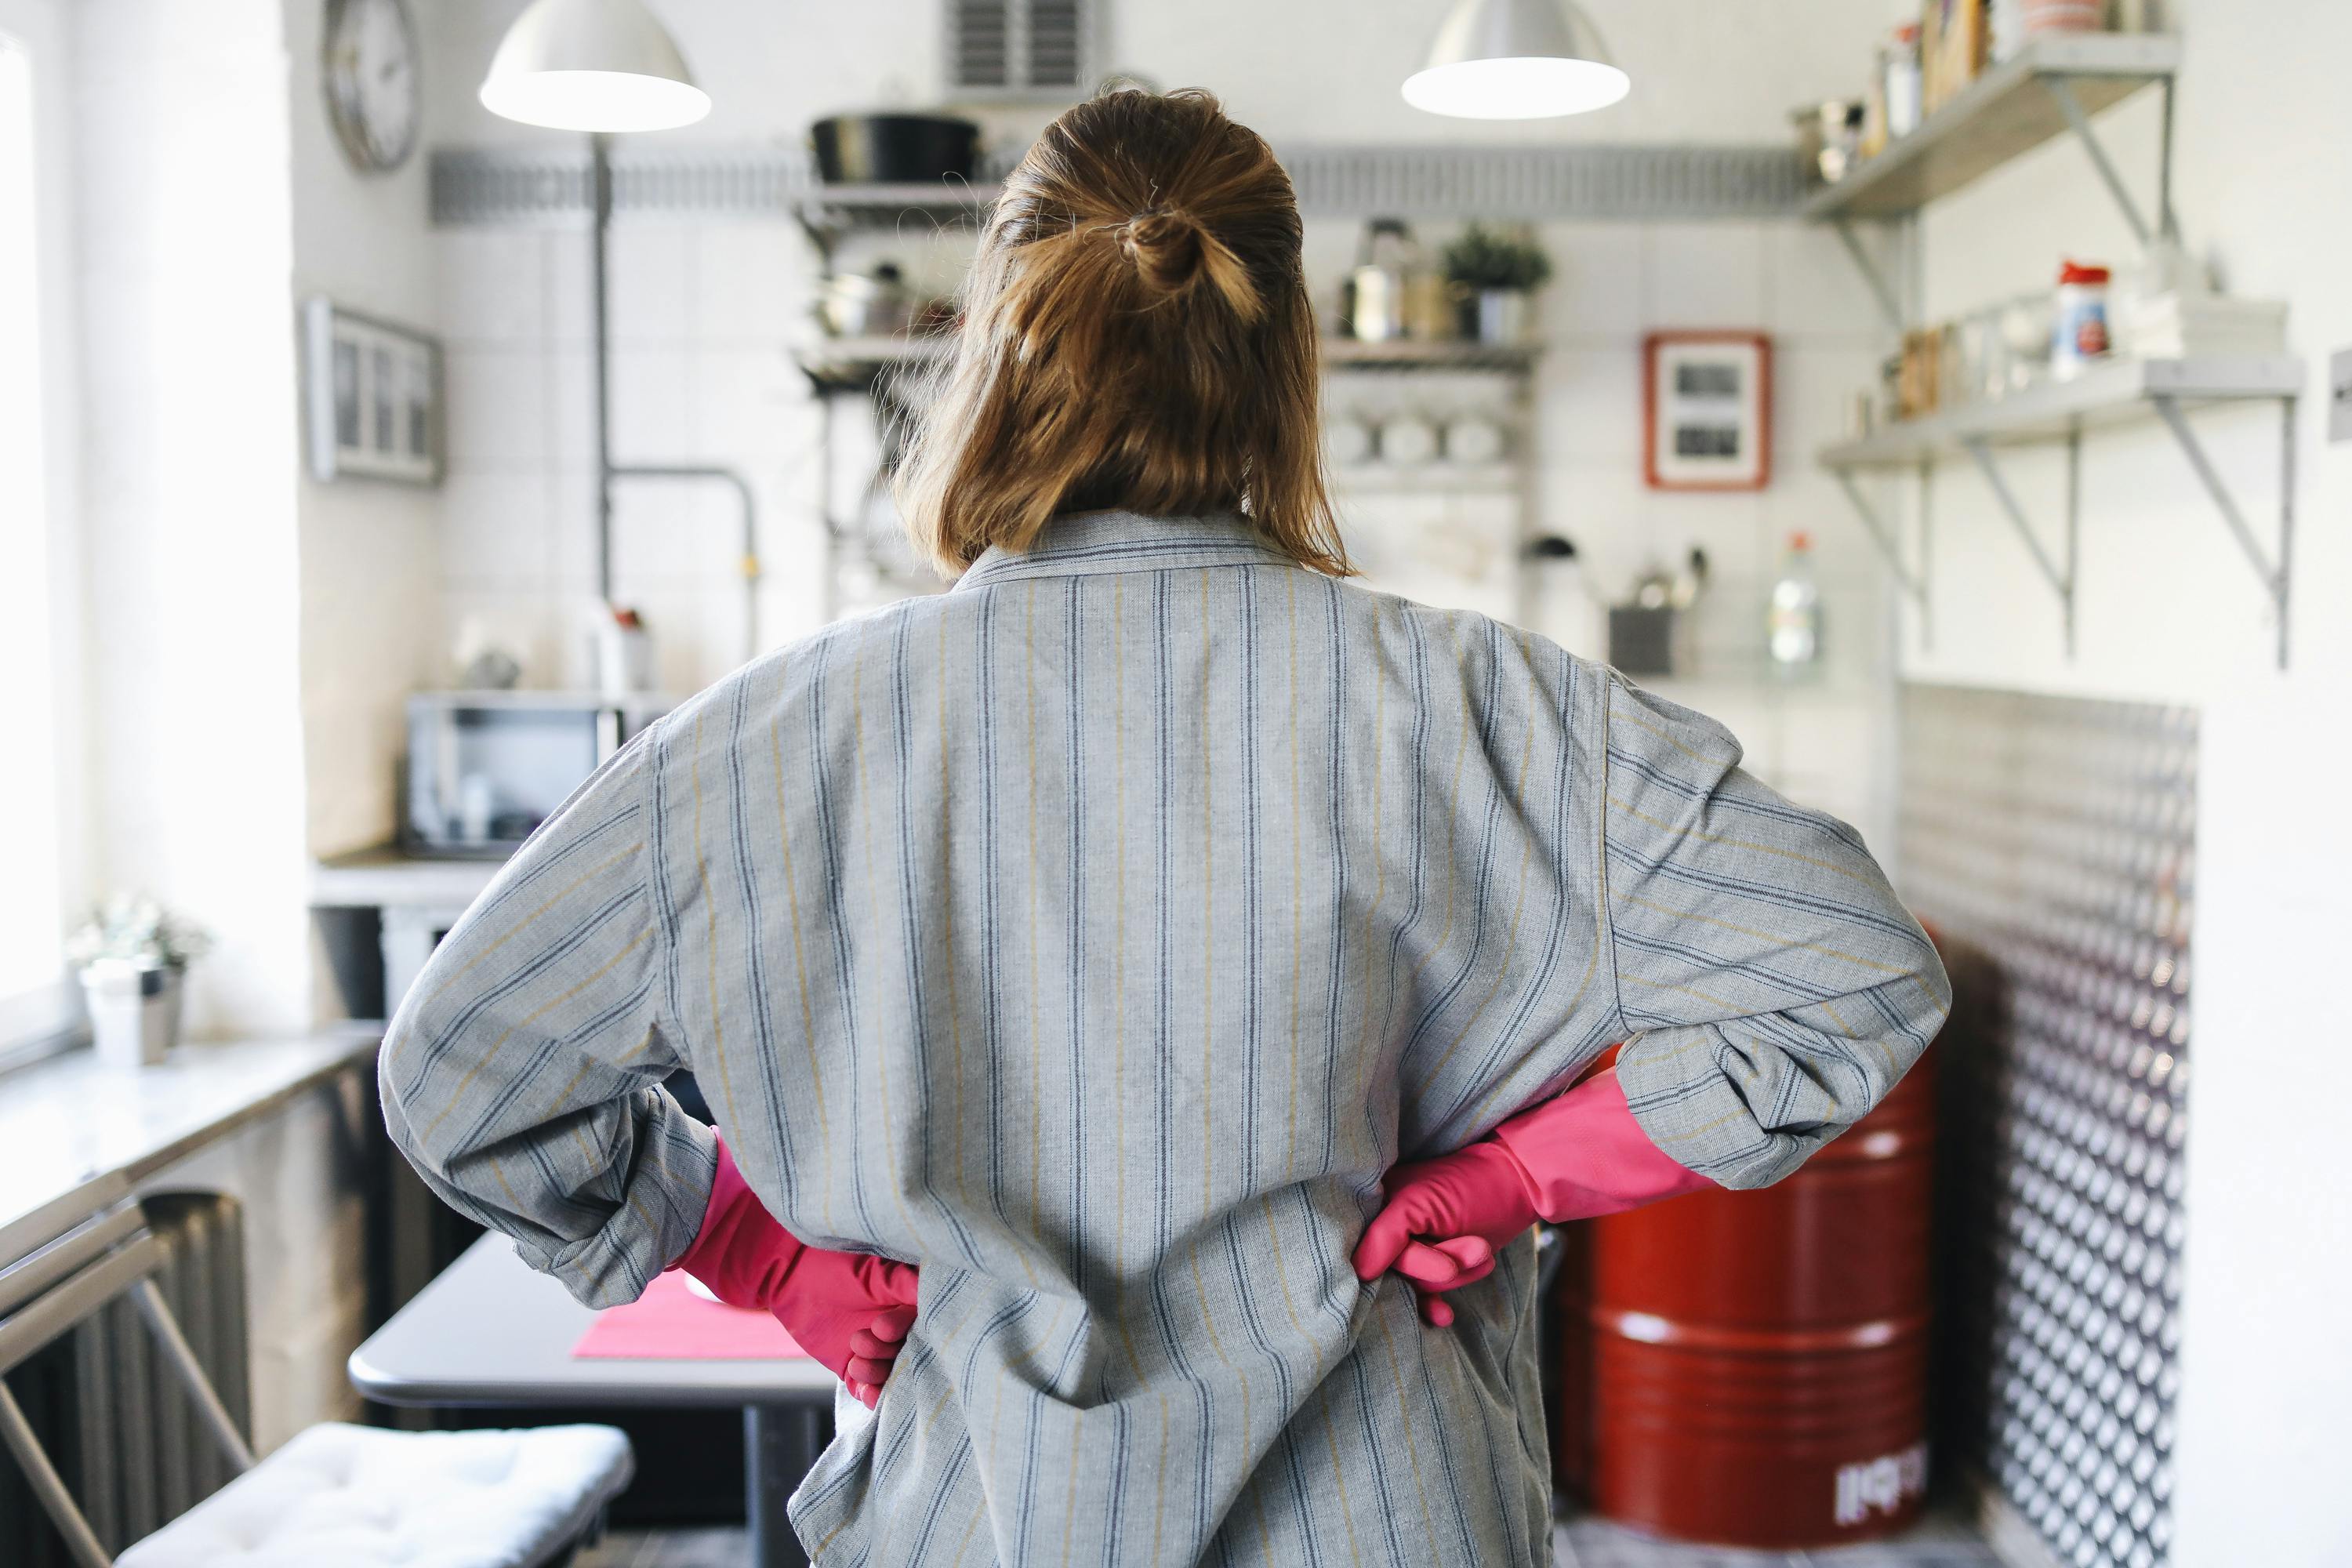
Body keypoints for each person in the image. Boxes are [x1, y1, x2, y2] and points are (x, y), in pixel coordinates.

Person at [381, 88, 1948, 1568]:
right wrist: (1516, 1178)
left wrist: (758, 1251)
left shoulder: (770, 733)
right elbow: (1855, 970)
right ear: (1287, 366)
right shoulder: (1478, 699)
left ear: (998, 350)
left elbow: (464, 1075)